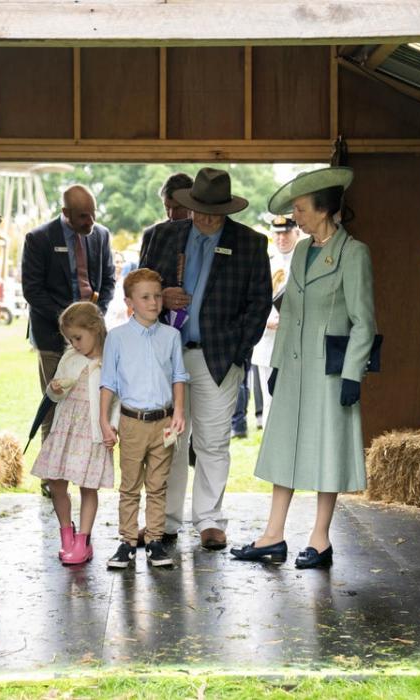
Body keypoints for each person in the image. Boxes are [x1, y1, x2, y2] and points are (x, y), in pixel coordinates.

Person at [231, 166, 376, 569]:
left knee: (327, 450)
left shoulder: (353, 253)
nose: (296, 216)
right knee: (284, 448)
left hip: (330, 371)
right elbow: (290, 310)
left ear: (324, 209)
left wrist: (352, 373)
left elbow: (364, 320)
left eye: (300, 208)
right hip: (293, 367)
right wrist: (276, 364)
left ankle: (320, 539)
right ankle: (273, 535)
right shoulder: (301, 251)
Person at [140, 167, 272, 550]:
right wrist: (162, 296)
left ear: (228, 210)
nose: (208, 218)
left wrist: (237, 352)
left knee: (213, 442)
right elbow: (137, 291)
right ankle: (166, 519)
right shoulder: (162, 237)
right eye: (201, 210)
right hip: (167, 356)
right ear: (190, 206)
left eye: (217, 211)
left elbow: (259, 304)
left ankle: (210, 520)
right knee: (171, 441)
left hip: (218, 358)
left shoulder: (250, 244)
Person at [100, 269, 188, 568]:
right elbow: (108, 383)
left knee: (158, 485)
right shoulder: (117, 338)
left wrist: (178, 411)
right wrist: (103, 421)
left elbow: (178, 376)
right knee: (130, 485)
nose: (154, 302)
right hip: (132, 423)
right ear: (130, 302)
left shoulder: (172, 336)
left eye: (158, 296)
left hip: (163, 424)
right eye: (145, 297)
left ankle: (153, 541)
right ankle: (126, 541)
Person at [21, 185, 115, 443]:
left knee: (92, 405)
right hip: (52, 336)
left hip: (94, 340)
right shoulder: (39, 239)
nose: (91, 221)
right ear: (66, 212)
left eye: (93, 213)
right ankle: (51, 481)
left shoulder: (101, 236)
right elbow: (32, 290)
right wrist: (70, 325)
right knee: (53, 405)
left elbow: (108, 281)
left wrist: (94, 318)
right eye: (83, 216)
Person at [31, 301, 118, 565]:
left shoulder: (109, 360)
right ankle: (66, 535)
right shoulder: (70, 357)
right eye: (71, 339)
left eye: (78, 337)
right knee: (56, 482)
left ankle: (83, 540)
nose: (76, 344)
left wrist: (112, 425)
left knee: (88, 486)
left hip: (91, 432)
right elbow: (54, 394)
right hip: (66, 428)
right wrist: (55, 389)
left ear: (95, 328)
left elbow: (118, 398)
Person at [251, 215, 301, 428]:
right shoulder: (264, 263)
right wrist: (265, 322)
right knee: (271, 401)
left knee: (297, 402)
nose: (282, 238)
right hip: (269, 340)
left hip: (297, 341)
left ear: (296, 233)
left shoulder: (305, 262)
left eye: (286, 233)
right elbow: (251, 302)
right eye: (278, 233)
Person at [138, 172, 193, 261]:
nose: (171, 215)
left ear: (192, 205)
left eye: (177, 208)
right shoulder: (151, 235)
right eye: (167, 208)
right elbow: (142, 274)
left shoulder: (203, 236)